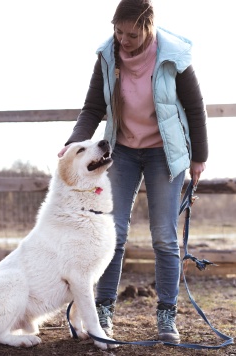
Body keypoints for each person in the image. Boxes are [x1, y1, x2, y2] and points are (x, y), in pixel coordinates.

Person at [58, 0, 208, 344]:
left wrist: (198, 156)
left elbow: (195, 109)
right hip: (121, 151)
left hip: (165, 154)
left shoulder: (174, 56)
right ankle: (105, 311)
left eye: (132, 34)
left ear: (149, 28)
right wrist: (74, 143)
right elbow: (93, 107)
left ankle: (167, 318)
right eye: (118, 32)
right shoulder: (108, 55)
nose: (124, 40)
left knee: (164, 237)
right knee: (114, 234)